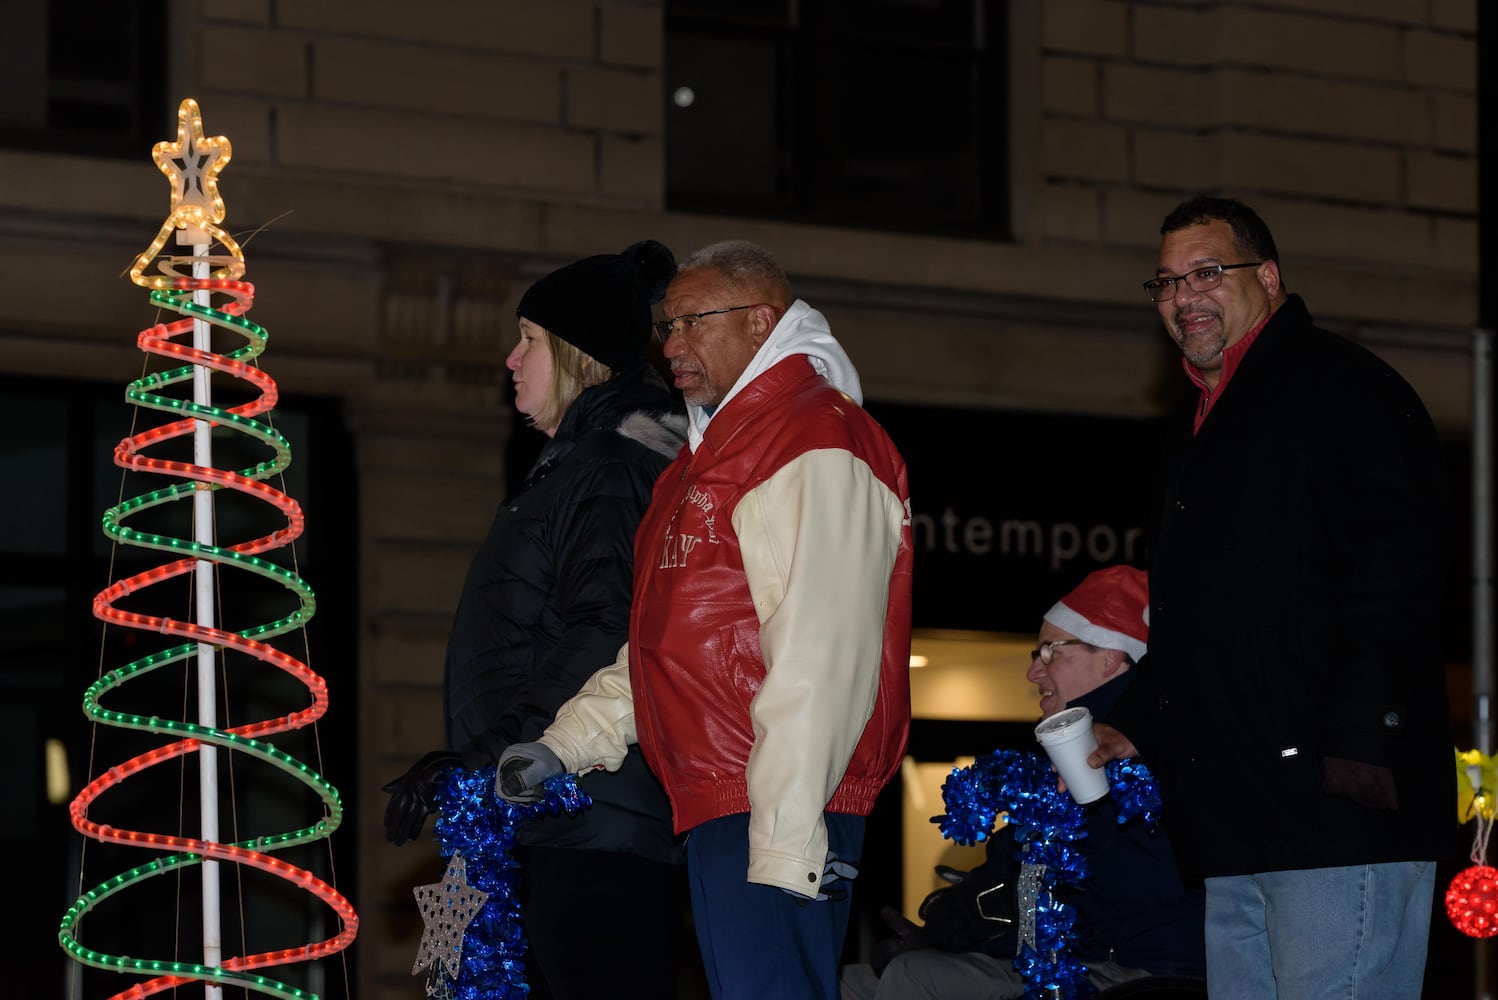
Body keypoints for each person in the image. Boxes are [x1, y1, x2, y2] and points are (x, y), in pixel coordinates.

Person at [495, 239, 915, 999]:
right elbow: (666, 643)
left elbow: (825, 650)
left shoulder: (817, 437)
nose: (672, 346)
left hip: (776, 801)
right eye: (666, 327)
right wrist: (564, 744)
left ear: (761, 323)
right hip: (725, 799)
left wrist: (784, 835)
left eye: (693, 323)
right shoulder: (703, 461)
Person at [1086, 195, 1456, 999]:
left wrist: (1359, 750)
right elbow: (1205, 617)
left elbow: (1394, 577)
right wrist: (1134, 723)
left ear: (1269, 276)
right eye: (1167, 283)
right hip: (1237, 821)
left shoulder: (1342, 389)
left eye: (1207, 272)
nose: (1185, 296)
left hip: (1336, 814)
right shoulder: (1197, 422)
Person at [379, 239, 690, 1000]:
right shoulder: (577, 465)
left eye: (528, 341)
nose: (511, 360)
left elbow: (603, 630)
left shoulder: (614, 468)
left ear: (578, 354)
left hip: (590, 821)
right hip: (538, 814)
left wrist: (486, 753)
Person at [840, 565, 1206, 1000]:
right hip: (1064, 962)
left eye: (1050, 650)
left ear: (1110, 657)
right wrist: (966, 914)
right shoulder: (1058, 752)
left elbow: (1115, 883)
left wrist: (989, 906)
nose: (1034, 671)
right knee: (843, 984)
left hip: (1135, 971)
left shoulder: (1146, 749)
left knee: (915, 978)